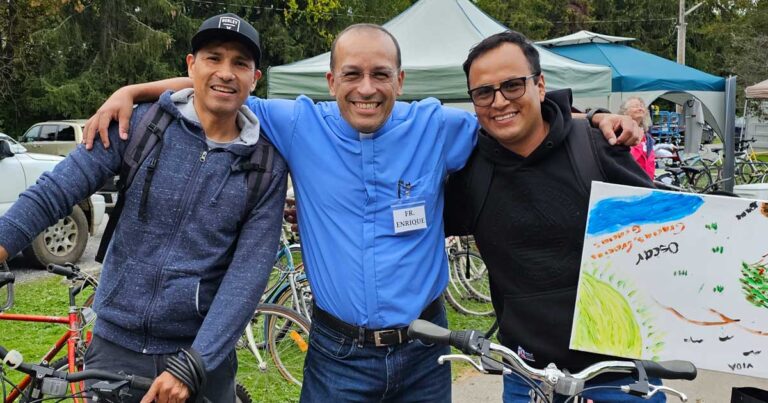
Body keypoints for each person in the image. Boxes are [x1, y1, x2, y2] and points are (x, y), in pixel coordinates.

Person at [82, 23, 643, 402]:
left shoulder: (438, 125)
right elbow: (219, 87)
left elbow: (519, 114)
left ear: (402, 81)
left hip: (426, 352)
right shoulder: (300, 123)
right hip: (336, 356)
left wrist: (593, 118)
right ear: (331, 82)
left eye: (380, 75)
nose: (366, 88)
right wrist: (134, 90)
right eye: (352, 74)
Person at [0, 13, 287, 403]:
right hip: (115, 347)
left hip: (201, 357)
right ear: (190, 66)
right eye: (213, 58)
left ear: (255, 78)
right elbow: (54, 191)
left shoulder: (264, 164)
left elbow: (248, 275)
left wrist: (195, 363)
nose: (226, 72)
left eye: (240, 63)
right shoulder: (140, 125)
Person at [444, 31, 661, 402]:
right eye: (484, 92)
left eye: (513, 85)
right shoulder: (470, 172)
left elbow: (669, 231)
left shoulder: (595, 147)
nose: (499, 102)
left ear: (540, 85)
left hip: (617, 374)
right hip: (528, 377)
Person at [619, 96, 656, 179]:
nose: (640, 108)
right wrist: (638, 143)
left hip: (647, 182)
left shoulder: (647, 137)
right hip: (630, 180)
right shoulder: (621, 132)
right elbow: (626, 159)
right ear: (625, 112)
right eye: (635, 106)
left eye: (641, 106)